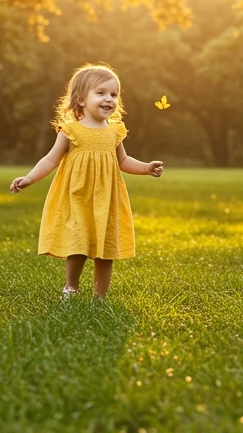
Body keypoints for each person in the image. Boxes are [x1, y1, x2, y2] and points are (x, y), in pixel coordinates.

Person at [10, 64, 164, 298]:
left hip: (107, 199)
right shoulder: (71, 130)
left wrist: (145, 167)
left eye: (114, 94)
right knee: (78, 245)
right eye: (100, 93)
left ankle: (99, 297)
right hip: (78, 197)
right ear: (81, 99)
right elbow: (51, 159)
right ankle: (70, 288)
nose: (109, 99)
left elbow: (123, 160)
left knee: (106, 250)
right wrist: (30, 178)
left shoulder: (114, 131)